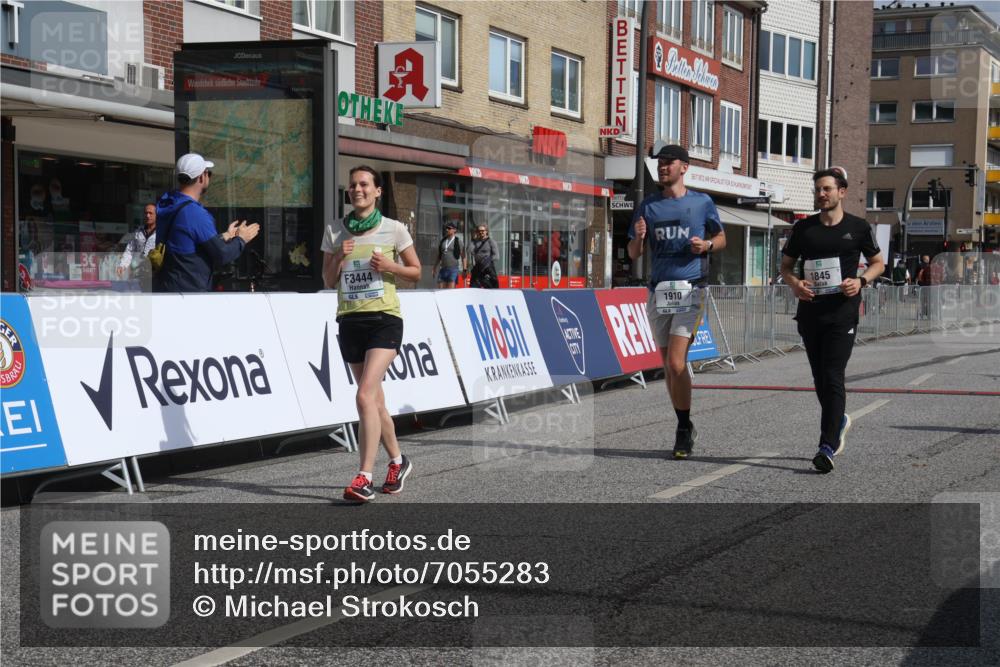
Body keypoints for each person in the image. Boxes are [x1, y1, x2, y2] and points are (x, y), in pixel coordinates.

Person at [322, 165, 422, 503]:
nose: (357, 189)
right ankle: (398, 460)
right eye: (352, 185)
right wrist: (339, 255)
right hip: (350, 321)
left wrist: (391, 267)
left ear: (378, 191)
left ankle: (364, 476)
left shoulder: (394, 230)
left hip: (384, 320)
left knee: (365, 395)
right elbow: (328, 280)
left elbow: (416, 271)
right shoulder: (335, 230)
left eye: (364, 184)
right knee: (375, 401)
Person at [780, 167, 885, 474]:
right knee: (819, 379)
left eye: (827, 189)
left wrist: (862, 281)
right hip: (811, 312)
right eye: (818, 189)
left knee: (832, 374)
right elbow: (786, 267)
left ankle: (827, 445)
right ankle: (838, 420)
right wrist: (795, 284)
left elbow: (878, 263)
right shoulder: (804, 229)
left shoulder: (858, 227)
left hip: (843, 313)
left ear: (842, 192)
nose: (821, 194)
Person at [628, 144, 726, 459]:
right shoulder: (648, 206)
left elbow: (722, 238)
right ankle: (685, 422)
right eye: (660, 163)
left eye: (669, 162)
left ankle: (682, 429)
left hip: (691, 288)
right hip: (659, 291)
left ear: (684, 167)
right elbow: (633, 253)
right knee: (669, 367)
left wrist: (707, 245)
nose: (662, 167)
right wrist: (639, 238)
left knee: (675, 363)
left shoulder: (701, 202)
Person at [153, 153, 259, 293]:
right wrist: (241, 239)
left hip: (169, 288)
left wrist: (225, 236)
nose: (209, 177)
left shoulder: (171, 203)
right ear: (202, 177)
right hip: (189, 294)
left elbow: (189, 243)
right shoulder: (193, 213)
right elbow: (222, 255)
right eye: (208, 173)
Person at [117, 204, 157, 279]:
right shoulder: (138, 232)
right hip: (140, 273)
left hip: (156, 273)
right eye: (146, 213)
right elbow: (129, 250)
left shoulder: (161, 232)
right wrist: (122, 265)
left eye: (151, 213)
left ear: (157, 215)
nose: (148, 215)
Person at [433, 221, 465, 288]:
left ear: (454, 230)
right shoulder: (443, 241)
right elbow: (439, 256)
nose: (447, 229)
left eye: (449, 228)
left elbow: (463, 256)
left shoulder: (458, 241)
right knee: (441, 291)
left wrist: (464, 269)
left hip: (453, 269)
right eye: (446, 228)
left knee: (450, 292)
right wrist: (434, 267)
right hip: (443, 269)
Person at [469, 223, 500, 288]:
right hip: (477, 267)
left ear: (486, 231)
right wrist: (473, 239)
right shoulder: (475, 242)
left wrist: (486, 260)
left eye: (482, 231)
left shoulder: (491, 241)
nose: (481, 232)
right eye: (479, 231)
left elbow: (496, 256)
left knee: (492, 287)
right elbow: (469, 251)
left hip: (488, 267)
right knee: (473, 287)